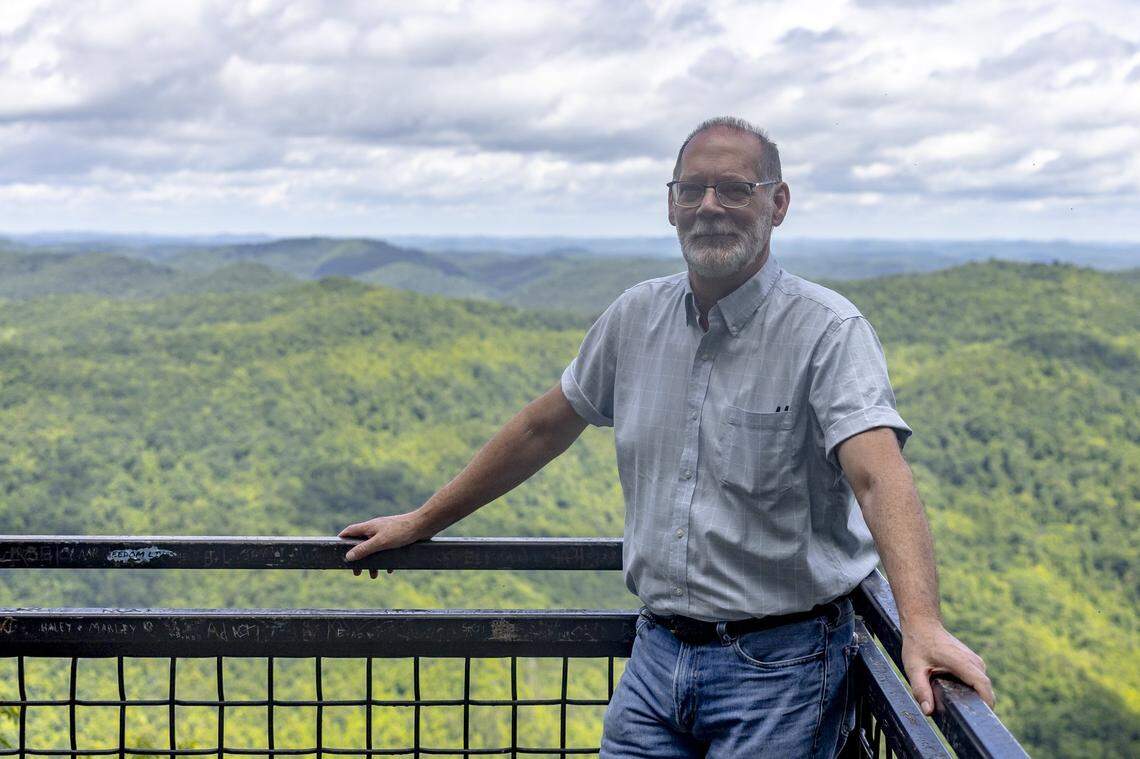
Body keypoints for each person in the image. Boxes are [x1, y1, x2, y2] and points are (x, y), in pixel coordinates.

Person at [338, 116, 995, 756]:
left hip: (782, 671)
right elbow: (544, 426)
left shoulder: (826, 332)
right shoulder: (636, 317)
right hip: (655, 658)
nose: (711, 205)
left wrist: (923, 623)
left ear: (778, 203)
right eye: (692, 189)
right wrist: (424, 519)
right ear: (672, 205)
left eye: (735, 188)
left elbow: (878, 477)